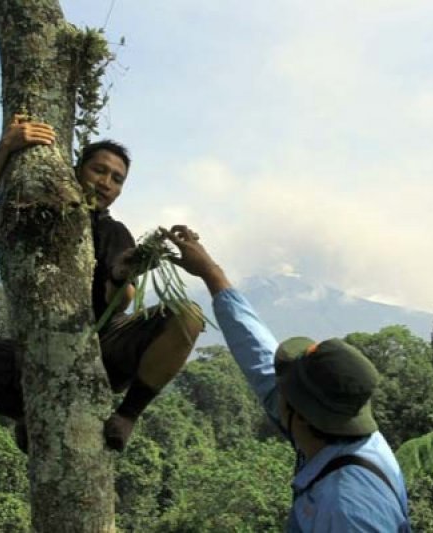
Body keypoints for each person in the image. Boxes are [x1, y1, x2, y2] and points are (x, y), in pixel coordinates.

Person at [0, 115, 203, 451]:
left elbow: (121, 300)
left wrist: (124, 274)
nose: (107, 182)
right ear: (77, 169)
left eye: (117, 179)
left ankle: (127, 415)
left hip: (103, 343)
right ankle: (25, 409)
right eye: (99, 170)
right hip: (36, 345)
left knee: (188, 315)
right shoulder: (38, 215)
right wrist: (6, 147)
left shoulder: (113, 232)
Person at [162, 225, 412, 532]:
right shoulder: (341, 434)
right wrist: (212, 274)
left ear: (299, 412)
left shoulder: (347, 510)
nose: (275, 389)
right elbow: (259, 358)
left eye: (285, 389)